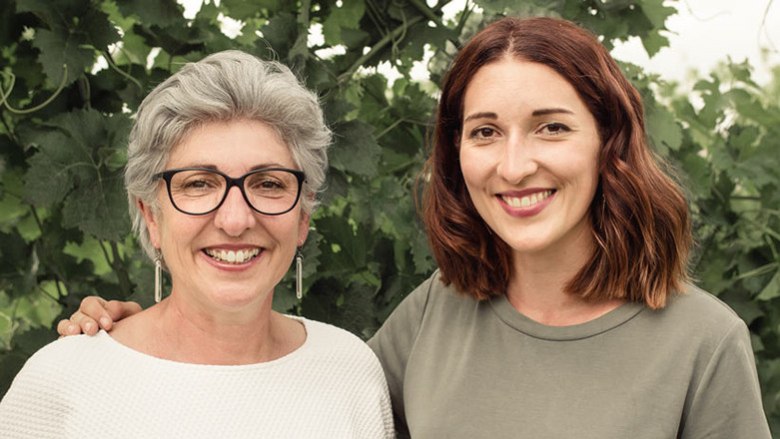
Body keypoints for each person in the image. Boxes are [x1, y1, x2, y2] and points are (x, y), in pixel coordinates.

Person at [53, 17, 772, 438]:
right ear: (457, 156)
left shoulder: (700, 344)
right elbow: (289, 397)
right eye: (485, 131)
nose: (515, 164)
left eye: (551, 127)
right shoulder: (433, 315)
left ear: (608, 141)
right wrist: (134, 343)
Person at [0, 50, 394, 438]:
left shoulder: (351, 371)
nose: (236, 220)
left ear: (303, 217)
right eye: (199, 184)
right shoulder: (61, 383)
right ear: (152, 215)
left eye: (269, 183)